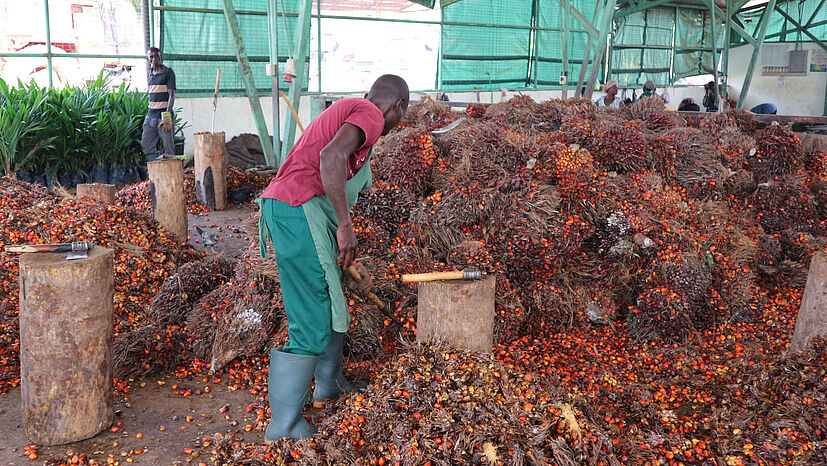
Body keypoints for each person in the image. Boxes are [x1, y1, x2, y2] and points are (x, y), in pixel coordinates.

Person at [257, 75, 409, 442]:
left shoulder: (352, 114)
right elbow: (330, 157)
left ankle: (329, 386)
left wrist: (349, 256)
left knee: (329, 300)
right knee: (311, 314)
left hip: (299, 214)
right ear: (398, 106)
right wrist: (345, 227)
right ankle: (284, 425)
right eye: (402, 115)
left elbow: (328, 185)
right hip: (296, 211)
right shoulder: (371, 113)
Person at [141, 47, 176, 160]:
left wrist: (167, 116)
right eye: (151, 56)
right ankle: (154, 171)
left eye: (157, 56)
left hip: (163, 115)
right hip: (150, 116)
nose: (154, 58)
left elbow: (171, 95)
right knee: (146, 145)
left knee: (169, 148)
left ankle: (170, 174)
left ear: (161, 57)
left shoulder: (168, 72)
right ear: (148, 58)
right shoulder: (149, 74)